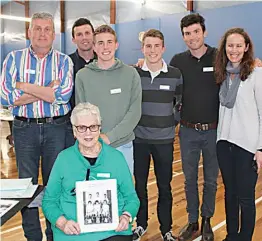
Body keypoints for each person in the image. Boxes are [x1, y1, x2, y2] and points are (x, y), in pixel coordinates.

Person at [0, 12, 73, 241]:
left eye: (47, 29)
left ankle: (54, 235)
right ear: (29, 32)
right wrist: (45, 91)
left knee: (55, 184)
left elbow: (63, 96)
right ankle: (33, 237)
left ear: (54, 34)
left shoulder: (64, 61)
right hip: (24, 130)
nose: (42, 33)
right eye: (38, 28)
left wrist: (23, 87)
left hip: (56, 128)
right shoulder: (13, 58)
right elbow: (5, 96)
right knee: (27, 187)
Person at [42, 102, 140, 241]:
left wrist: (126, 216)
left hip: (112, 232)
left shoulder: (116, 158)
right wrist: (62, 223)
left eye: (93, 127)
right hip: (73, 234)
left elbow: (131, 198)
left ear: (100, 129)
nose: (88, 133)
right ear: (74, 131)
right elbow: (49, 201)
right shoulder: (63, 159)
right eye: (82, 128)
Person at [168, 14, 219, 241]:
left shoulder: (220, 57)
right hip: (187, 131)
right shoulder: (177, 61)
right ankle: (192, 221)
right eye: (187, 34)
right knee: (189, 180)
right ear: (183, 37)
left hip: (214, 131)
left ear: (204, 32)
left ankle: (207, 220)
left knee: (210, 179)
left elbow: (241, 68)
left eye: (196, 31)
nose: (192, 37)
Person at [132, 29, 182, 241]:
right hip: (140, 140)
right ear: (142, 48)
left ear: (163, 48)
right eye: (148, 46)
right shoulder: (134, 74)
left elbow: (179, 104)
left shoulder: (175, 74)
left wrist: (170, 123)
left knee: (165, 186)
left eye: (156, 46)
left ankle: (166, 229)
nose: (152, 50)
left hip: (164, 141)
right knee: (139, 185)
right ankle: (141, 224)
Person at [215, 28, 262, 241]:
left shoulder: (256, 73)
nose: (234, 50)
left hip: (247, 146)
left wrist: (260, 148)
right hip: (224, 143)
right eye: (230, 45)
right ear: (225, 48)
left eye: (238, 45)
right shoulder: (222, 73)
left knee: (245, 197)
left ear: (246, 48)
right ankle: (231, 236)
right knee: (229, 194)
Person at [75, 24, 142, 174]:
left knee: (122, 194)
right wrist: (93, 140)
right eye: (100, 43)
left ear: (116, 45)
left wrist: (109, 137)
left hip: (123, 146)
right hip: (92, 147)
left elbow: (134, 112)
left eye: (109, 42)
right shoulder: (82, 76)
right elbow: (80, 113)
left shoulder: (131, 74)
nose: (105, 47)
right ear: (94, 47)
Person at [66, 18, 97, 148]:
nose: (84, 38)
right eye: (79, 34)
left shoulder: (106, 62)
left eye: (87, 33)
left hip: (99, 128)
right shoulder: (65, 63)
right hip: (72, 129)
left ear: (93, 35)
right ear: (73, 39)